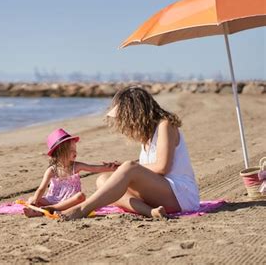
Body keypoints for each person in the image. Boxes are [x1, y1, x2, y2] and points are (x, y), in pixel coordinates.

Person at [62, 86, 200, 220]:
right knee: (102, 180)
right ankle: (150, 212)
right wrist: (123, 169)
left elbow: (163, 167)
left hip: (181, 196)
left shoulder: (165, 125)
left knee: (128, 167)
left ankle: (83, 209)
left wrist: (128, 169)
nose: (123, 122)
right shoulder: (147, 134)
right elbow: (150, 168)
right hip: (163, 193)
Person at [23, 128, 120, 217]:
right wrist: (35, 200)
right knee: (32, 198)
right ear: (59, 153)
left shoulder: (76, 166)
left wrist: (112, 168)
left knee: (80, 196)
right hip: (53, 199)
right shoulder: (51, 170)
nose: (75, 153)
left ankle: (51, 209)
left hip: (70, 200)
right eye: (71, 150)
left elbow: (94, 168)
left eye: (75, 150)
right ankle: (39, 210)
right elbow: (41, 188)